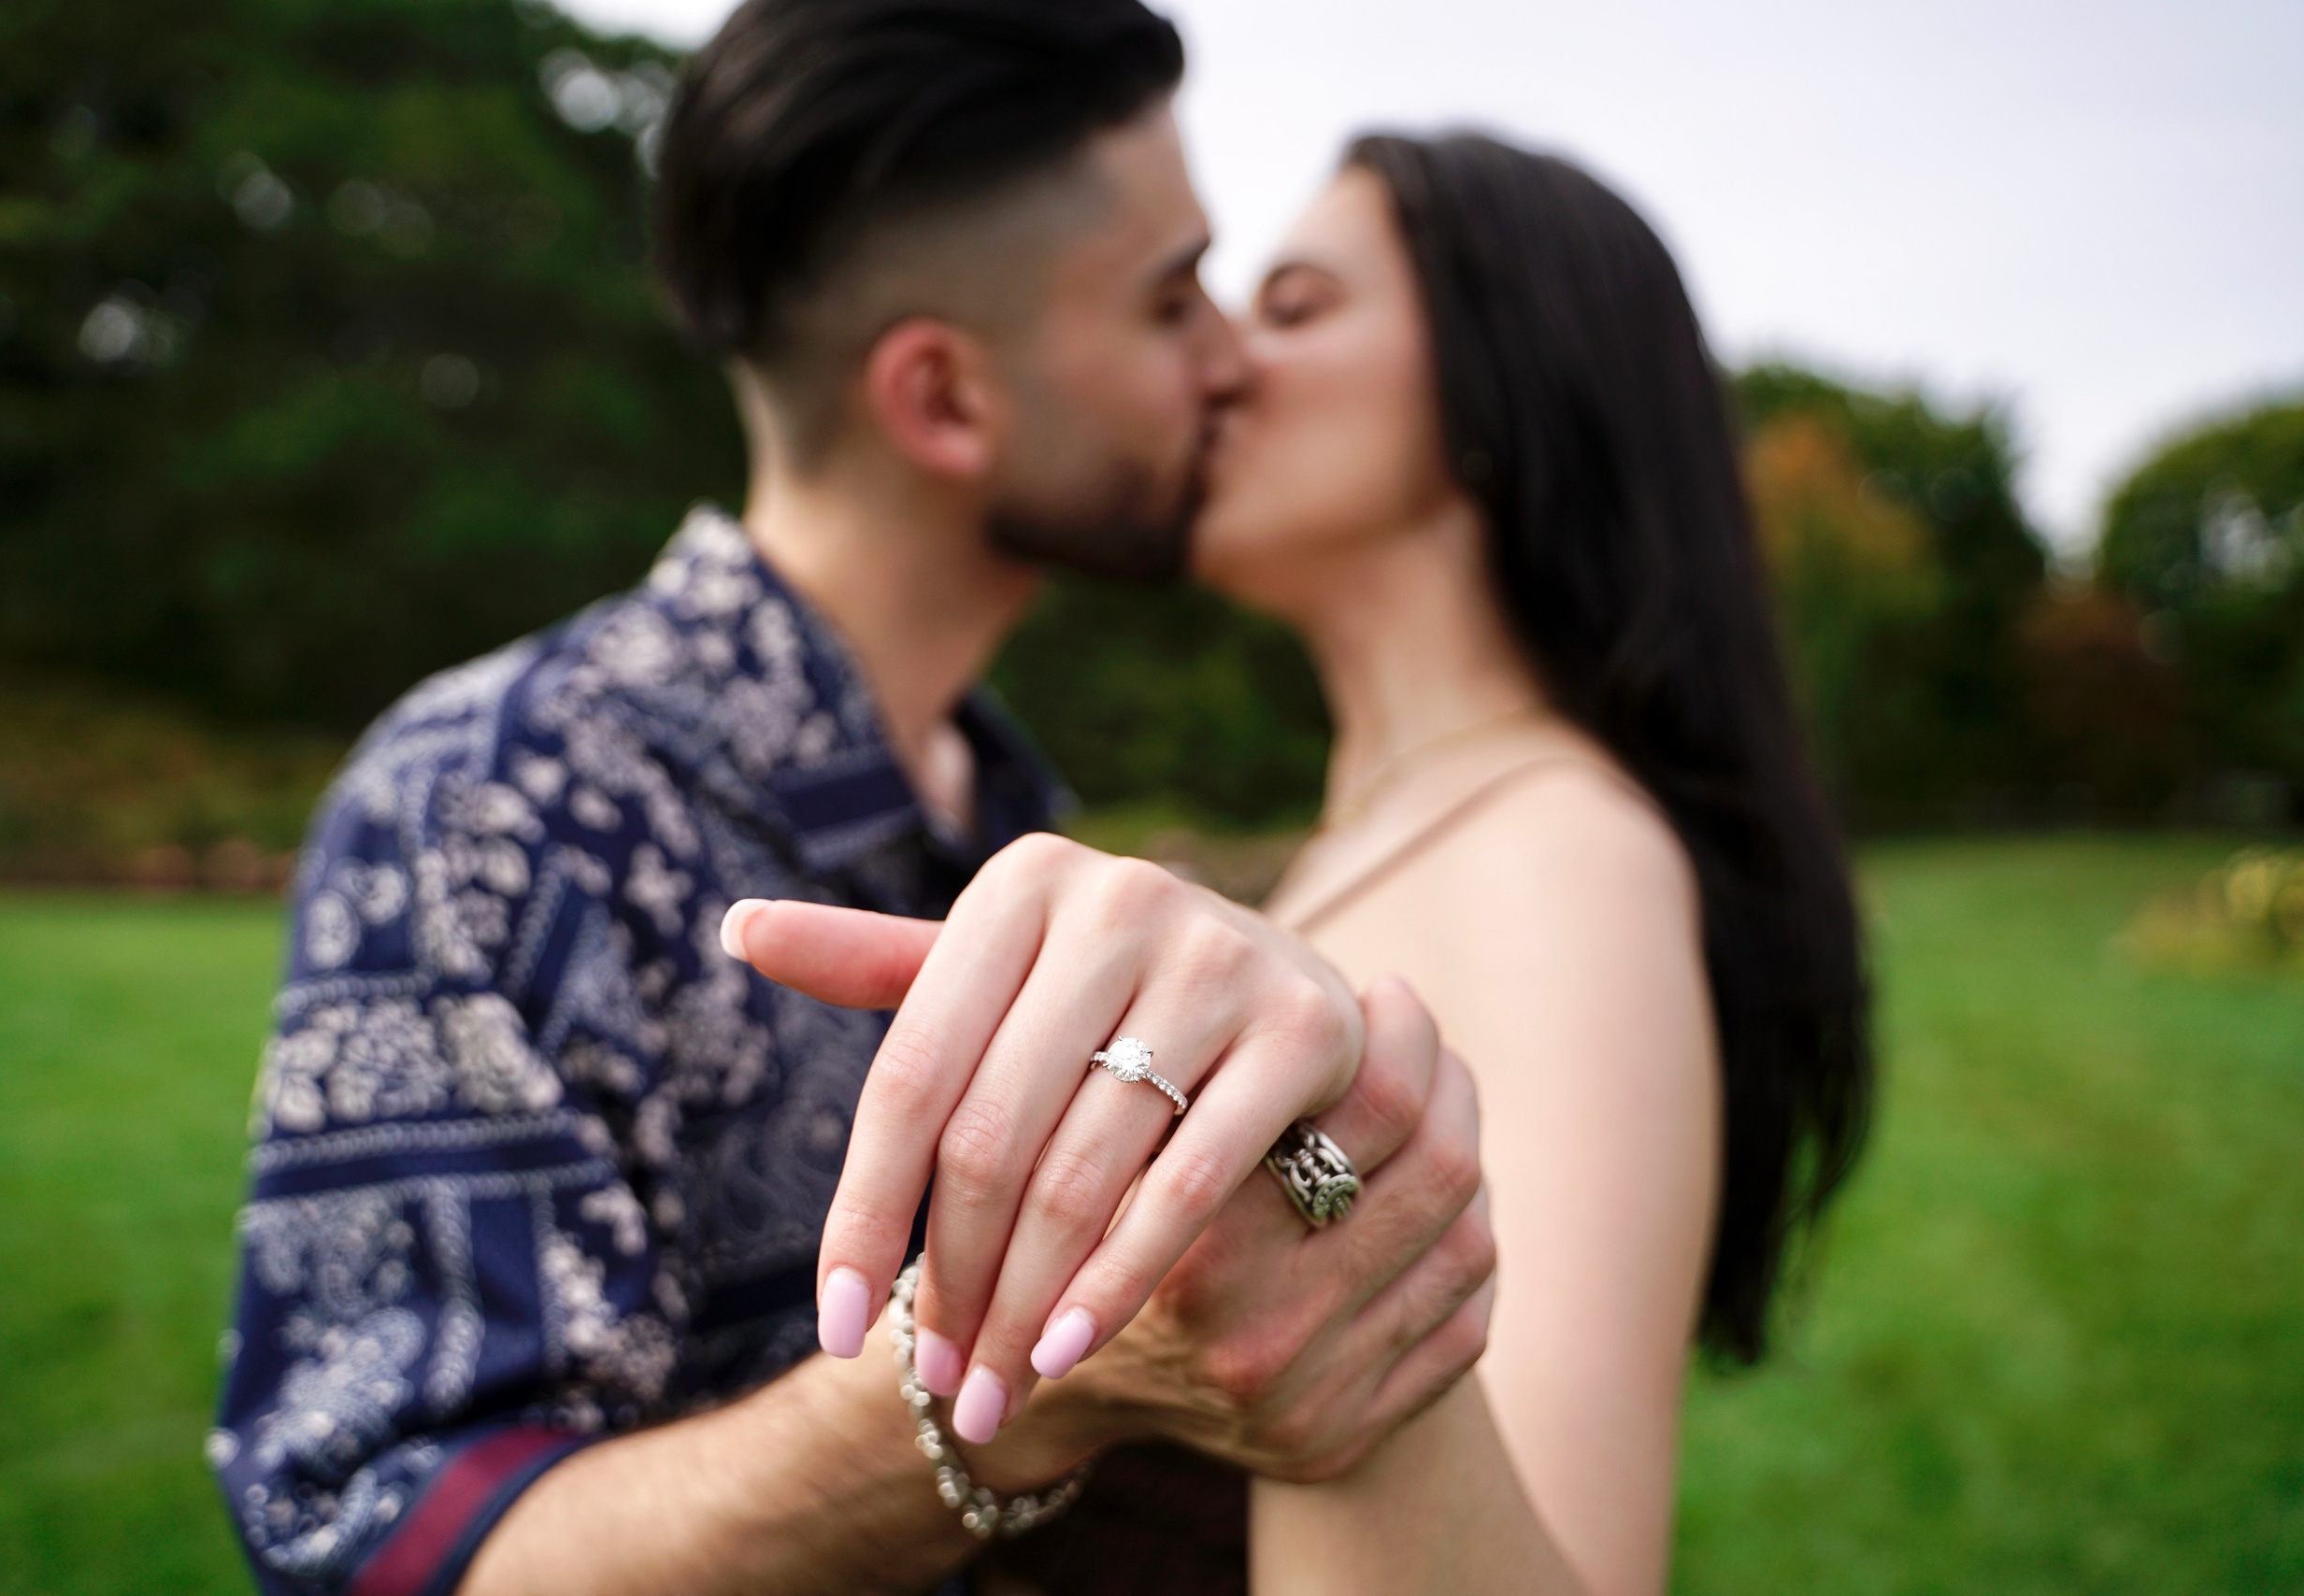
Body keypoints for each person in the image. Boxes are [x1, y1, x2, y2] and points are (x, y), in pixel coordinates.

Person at [209, 4, 1492, 1595]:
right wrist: (1027, 1375)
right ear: (944, 401)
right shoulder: (491, 804)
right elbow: (385, 1549)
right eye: (1174, 300)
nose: (1233, 359)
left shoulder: (1021, 808)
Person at [728, 133, 1875, 1593]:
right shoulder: (1399, 833)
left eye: (1294, 307)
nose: (1215, 362)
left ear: (1497, 392)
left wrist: (1339, 1285)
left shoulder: (1555, 866)